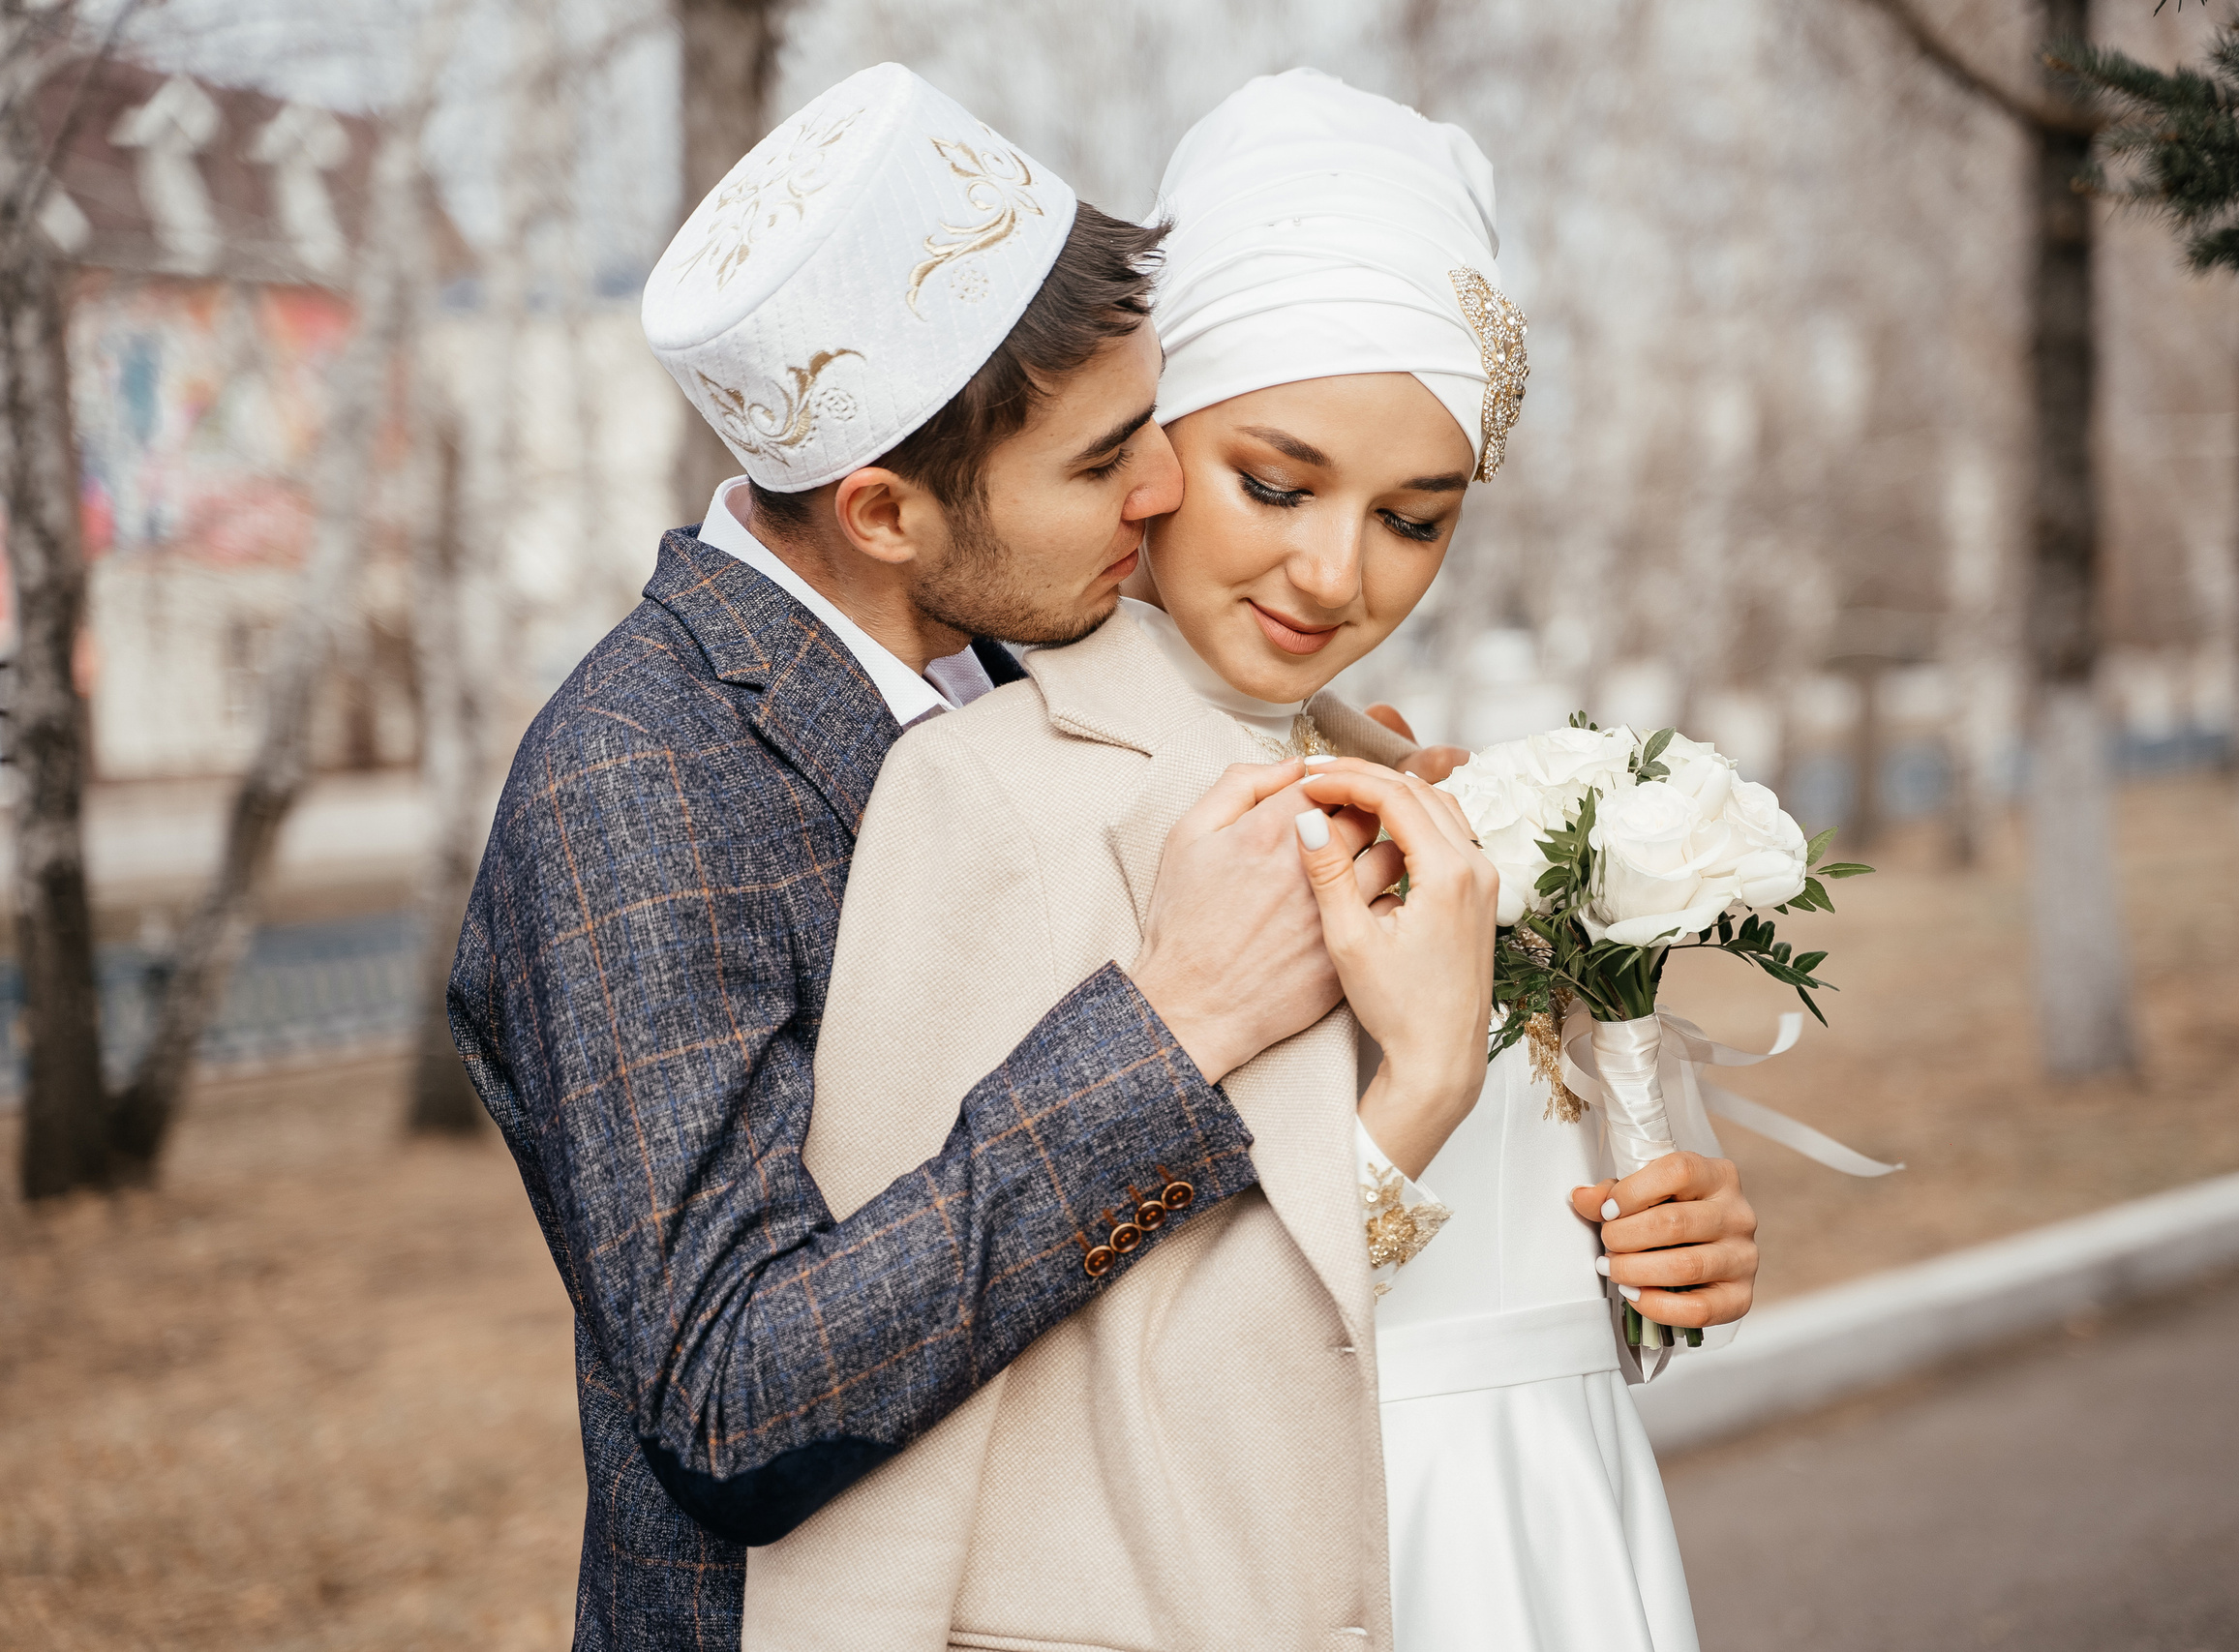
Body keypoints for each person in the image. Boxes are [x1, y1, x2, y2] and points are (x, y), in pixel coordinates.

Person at [451, 64, 1754, 1652]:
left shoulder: (1050, 662)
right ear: (884, 514)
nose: (1160, 488)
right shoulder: (639, 777)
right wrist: (1173, 1023)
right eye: (1103, 460)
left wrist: (1589, 1194)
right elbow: (734, 1400)